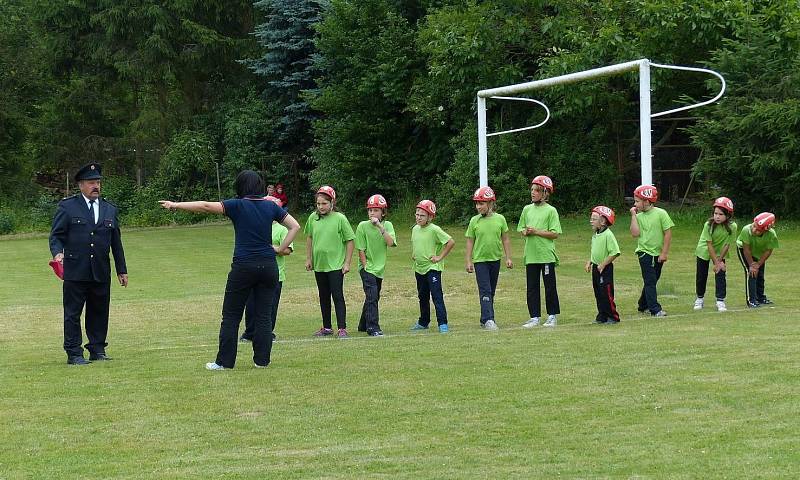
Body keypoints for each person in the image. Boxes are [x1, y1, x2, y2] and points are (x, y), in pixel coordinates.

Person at [159, 170, 300, 370]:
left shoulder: (237, 205)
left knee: (232, 315)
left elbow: (205, 206)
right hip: (269, 266)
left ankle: (224, 362)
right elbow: (295, 226)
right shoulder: (270, 206)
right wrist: (279, 248)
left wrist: (175, 205)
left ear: (241, 187)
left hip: (243, 266)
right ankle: (262, 361)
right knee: (263, 315)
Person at [49, 163, 128, 365]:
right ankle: (74, 353)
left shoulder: (110, 209)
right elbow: (56, 236)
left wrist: (121, 269)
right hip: (75, 270)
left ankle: (97, 349)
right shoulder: (68, 207)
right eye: (92, 183)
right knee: (73, 313)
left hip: (101, 270)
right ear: (81, 185)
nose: (96, 186)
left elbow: (116, 242)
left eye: (98, 182)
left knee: (99, 311)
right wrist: (58, 253)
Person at [239, 195, 293, 343]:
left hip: (275, 274)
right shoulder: (256, 225)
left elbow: (288, 250)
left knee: (270, 305)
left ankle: (268, 332)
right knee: (250, 304)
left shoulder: (282, 229)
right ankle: (250, 332)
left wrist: (273, 249)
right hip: (253, 271)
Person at [304, 186, 355, 338]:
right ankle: (327, 327)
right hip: (320, 265)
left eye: (324, 203)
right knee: (323, 296)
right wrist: (309, 258)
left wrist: (347, 263)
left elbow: (350, 241)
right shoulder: (313, 218)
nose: (321, 207)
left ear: (332, 202)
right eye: (318, 204)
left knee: (337, 295)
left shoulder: (340, 218)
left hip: (335, 265)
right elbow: (310, 237)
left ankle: (342, 328)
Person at [464, 186, 513, 330]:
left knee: (491, 290)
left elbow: (505, 239)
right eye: (477, 203)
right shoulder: (474, 221)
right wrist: (468, 260)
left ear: (490, 203)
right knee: (484, 289)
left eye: (481, 203)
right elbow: (470, 241)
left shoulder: (500, 219)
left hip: (495, 259)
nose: (478, 207)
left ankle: (484, 317)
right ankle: (489, 319)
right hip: (480, 261)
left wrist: (508, 257)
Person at [519, 176, 562, 328]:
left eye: (537, 190)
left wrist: (536, 231)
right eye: (532, 190)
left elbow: (555, 233)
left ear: (545, 193)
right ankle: (534, 317)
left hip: (546, 255)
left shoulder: (551, 211)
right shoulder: (526, 209)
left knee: (549, 286)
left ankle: (552, 316)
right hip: (531, 255)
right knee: (532, 287)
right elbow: (521, 229)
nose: (533, 193)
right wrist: (525, 232)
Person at [410, 200, 455, 333]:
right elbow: (417, 243)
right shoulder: (415, 229)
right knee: (422, 296)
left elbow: (450, 242)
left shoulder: (434, 229)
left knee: (436, 295)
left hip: (432, 269)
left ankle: (443, 323)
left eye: (422, 215)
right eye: (417, 214)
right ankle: (423, 322)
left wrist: (439, 257)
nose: (418, 217)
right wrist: (414, 254)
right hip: (419, 268)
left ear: (430, 217)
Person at [355, 194, 397, 336]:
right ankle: (373, 327)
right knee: (372, 295)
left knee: (373, 296)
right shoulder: (362, 226)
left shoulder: (387, 225)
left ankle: (363, 324)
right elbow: (360, 249)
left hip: (379, 268)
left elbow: (391, 243)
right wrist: (365, 266)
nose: (372, 213)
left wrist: (379, 226)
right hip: (367, 267)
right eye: (370, 210)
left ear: (383, 212)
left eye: (376, 210)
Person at [629, 184, 674, 317]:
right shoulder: (638, 216)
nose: (635, 204)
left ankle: (643, 304)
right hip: (644, 252)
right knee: (650, 280)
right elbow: (635, 234)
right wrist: (633, 216)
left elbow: (668, 233)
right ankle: (655, 309)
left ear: (647, 201)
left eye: (637, 201)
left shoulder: (661, 214)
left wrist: (664, 253)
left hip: (658, 253)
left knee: (653, 280)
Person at [693, 197, 737, 312]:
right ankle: (699, 298)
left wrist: (719, 261)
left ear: (728, 215)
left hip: (720, 252)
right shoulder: (708, 224)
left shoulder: (733, 227)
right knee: (701, 275)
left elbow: (727, 244)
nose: (717, 216)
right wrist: (717, 262)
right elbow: (709, 244)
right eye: (715, 213)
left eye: (720, 214)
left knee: (721, 273)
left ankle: (720, 300)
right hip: (704, 250)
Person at [585, 206, 621, 324]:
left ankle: (613, 316)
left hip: (604, 268)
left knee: (606, 293)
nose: (591, 221)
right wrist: (590, 261)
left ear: (603, 221)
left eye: (594, 219)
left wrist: (603, 264)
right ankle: (602, 315)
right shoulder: (596, 234)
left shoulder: (608, 235)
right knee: (598, 293)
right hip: (596, 267)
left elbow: (615, 252)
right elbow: (594, 251)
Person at [736, 212, 779, 308]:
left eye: (758, 230)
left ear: (766, 230)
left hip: (759, 253)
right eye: (754, 226)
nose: (754, 230)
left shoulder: (771, 235)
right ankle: (752, 300)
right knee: (751, 273)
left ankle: (760, 297)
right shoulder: (746, 230)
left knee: (760, 273)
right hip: (744, 250)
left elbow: (768, 251)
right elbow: (746, 250)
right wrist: (752, 265)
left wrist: (758, 264)